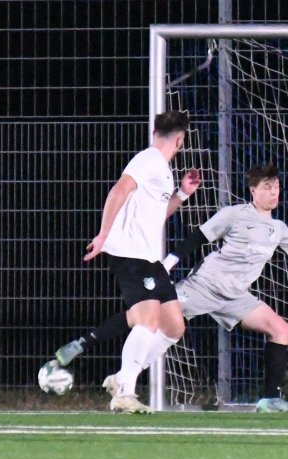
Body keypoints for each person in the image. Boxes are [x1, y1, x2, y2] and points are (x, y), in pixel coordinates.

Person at [50, 163, 288, 413]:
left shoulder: (278, 229)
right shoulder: (233, 215)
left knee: (280, 328)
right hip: (202, 287)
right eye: (267, 187)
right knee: (149, 318)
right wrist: (169, 263)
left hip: (236, 297)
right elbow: (197, 238)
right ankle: (91, 348)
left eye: (277, 187)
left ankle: (269, 398)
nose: (274, 192)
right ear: (253, 190)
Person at [78, 110, 200, 413]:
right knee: (147, 320)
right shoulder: (148, 160)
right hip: (130, 256)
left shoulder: (162, 168)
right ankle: (125, 393)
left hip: (149, 259)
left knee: (174, 327)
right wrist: (104, 235)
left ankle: (121, 377)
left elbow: (159, 213)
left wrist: (183, 194)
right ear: (180, 140)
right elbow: (119, 190)